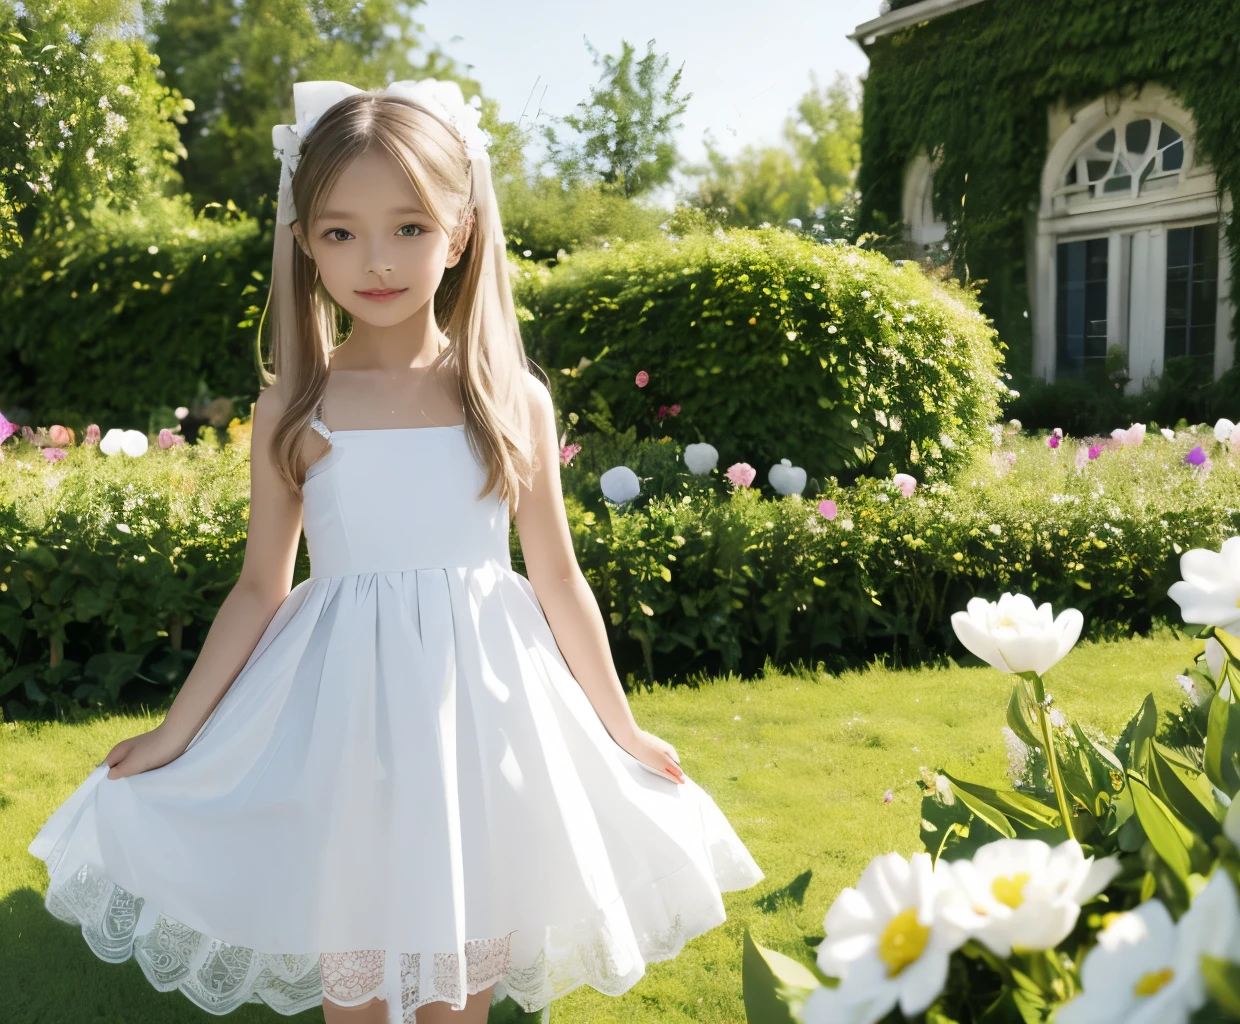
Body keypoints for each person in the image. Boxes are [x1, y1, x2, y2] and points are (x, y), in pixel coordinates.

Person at [27, 79, 766, 1024]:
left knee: (459, 986)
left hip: (485, 719)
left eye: (409, 227)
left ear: (460, 232)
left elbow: (557, 577)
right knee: (361, 988)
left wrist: (622, 730)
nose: (376, 260)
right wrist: (176, 734)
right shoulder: (293, 410)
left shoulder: (504, 397)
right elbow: (262, 586)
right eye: (340, 232)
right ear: (304, 242)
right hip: (344, 723)